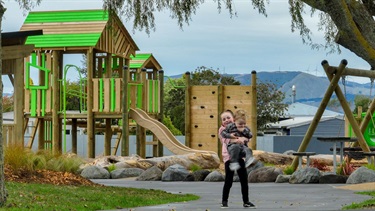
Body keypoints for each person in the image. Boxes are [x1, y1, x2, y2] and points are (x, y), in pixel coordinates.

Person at [219, 110, 256, 209]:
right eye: (224, 119)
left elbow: (248, 137)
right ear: (222, 122)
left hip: (240, 157)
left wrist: (245, 138)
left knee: (244, 179)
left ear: (233, 119)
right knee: (229, 180)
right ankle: (224, 201)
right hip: (229, 157)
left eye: (228, 118)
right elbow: (227, 140)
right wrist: (238, 139)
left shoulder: (240, 125)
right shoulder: (223, 129)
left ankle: (246, 201)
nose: (226, 120)